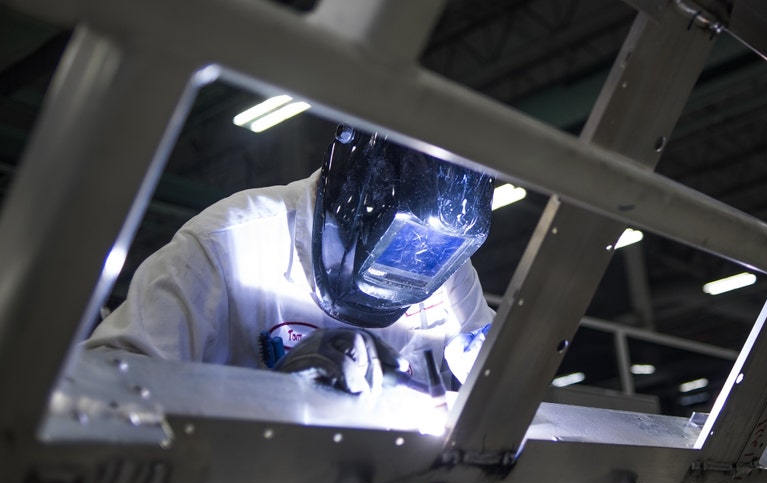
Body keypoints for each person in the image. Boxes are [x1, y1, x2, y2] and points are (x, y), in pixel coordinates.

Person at [83, 125, 495, 393]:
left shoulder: (443, 259)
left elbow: (492, 386)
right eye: (399, 245)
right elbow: (104, 381)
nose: (412, 263)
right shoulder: (227, 243)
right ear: (352, 205)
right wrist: (266, 398)